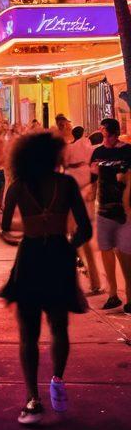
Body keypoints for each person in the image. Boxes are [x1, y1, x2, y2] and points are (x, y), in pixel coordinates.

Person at [0, 132, 92, 425]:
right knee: (59, 324)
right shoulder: (66, 184)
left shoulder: (17, 187)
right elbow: (85, 230)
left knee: (28, 332)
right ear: (54, 155)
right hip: (59, 256)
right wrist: (68, 244)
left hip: (30, 257)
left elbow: (5, 228)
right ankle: (57, 380)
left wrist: (27, 232)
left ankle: (32, 398)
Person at [90, 117, 131, 311]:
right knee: (106, 250)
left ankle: (130, 296)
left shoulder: (127, 151)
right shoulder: (98, 151)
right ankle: (113, 294)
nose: (105, 138)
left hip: (125, 211)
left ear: (114, 134)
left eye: (107, 134)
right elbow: (93, 176)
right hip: (104, 209)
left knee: (125, 253)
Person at [60, 122, 102, 295]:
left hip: (75, 193)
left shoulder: (69, 150)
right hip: (83, 193)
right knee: (82, 237)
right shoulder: (88, 149)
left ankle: (88, 278)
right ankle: (93, 280)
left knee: (75, 236)